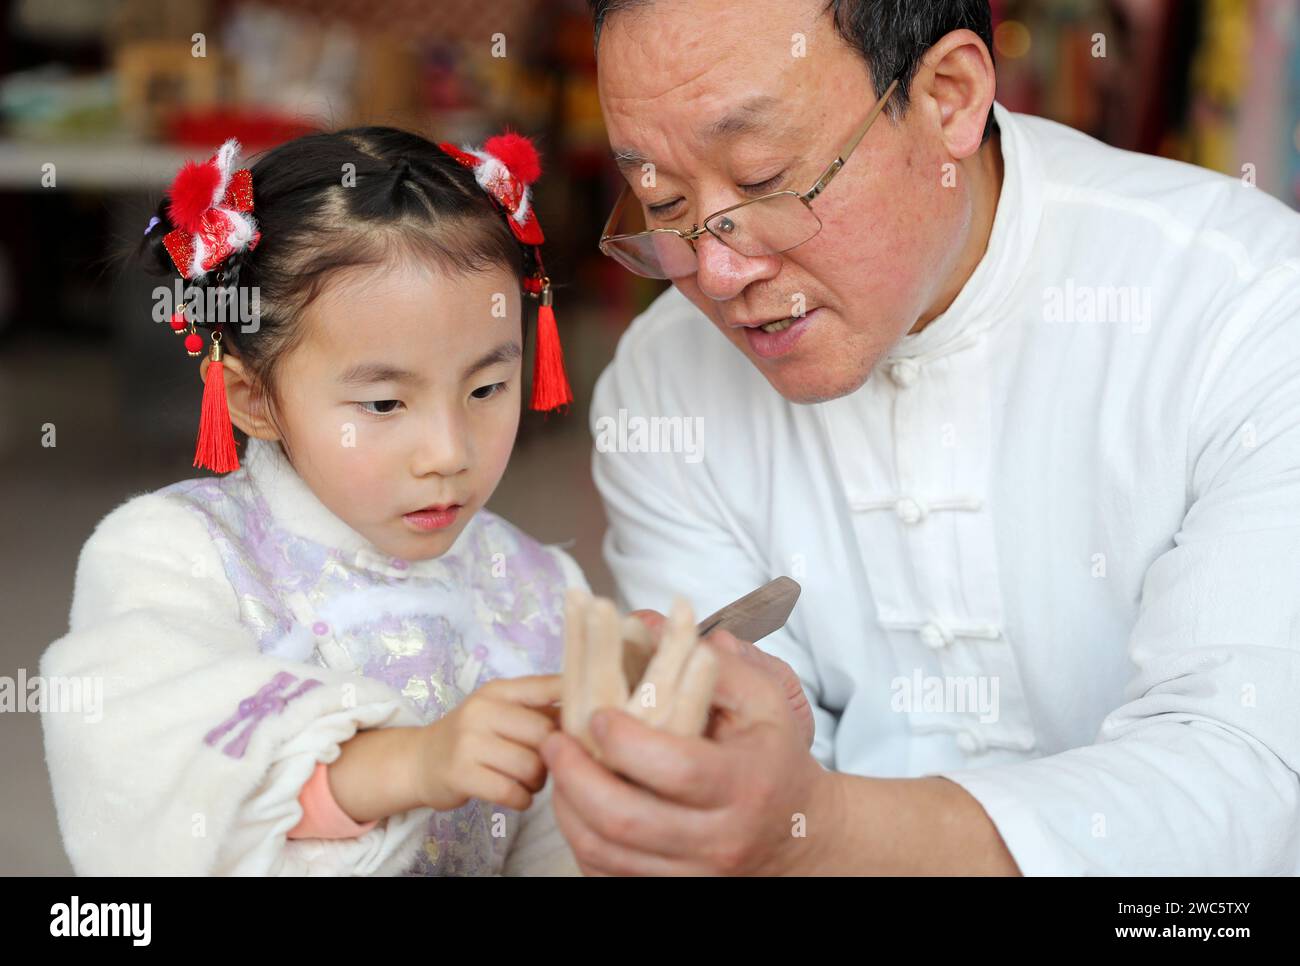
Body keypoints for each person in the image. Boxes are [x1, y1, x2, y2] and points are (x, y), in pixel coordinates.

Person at [540, 0, 1300, 874]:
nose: (717, 272)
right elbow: (744, 784)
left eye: (762, 179)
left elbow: (1249, 784)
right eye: (664, 203)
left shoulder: (1245, 308)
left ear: (949, 96)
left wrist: (820, 833)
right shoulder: (661, 383)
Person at [40, 127, 583, 875]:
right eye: (386, 404)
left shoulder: (539, 589)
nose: (450, 452)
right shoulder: (173, 557)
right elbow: (156, 784)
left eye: (487, 388)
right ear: (253, 398)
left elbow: (564, 848)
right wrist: (416, 763)